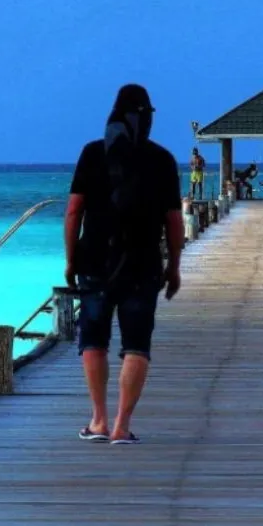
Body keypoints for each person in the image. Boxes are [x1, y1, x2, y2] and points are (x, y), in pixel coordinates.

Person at [64, 84, 184, 445]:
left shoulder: (91, 153)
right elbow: (174, 221)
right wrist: (174, 265)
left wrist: (71, 260)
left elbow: (73, 212)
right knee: (136, 344)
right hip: (143, 263)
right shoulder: (161, 159)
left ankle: (98, 420)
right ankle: (121, 426)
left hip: (95, 261)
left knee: (93, 340)